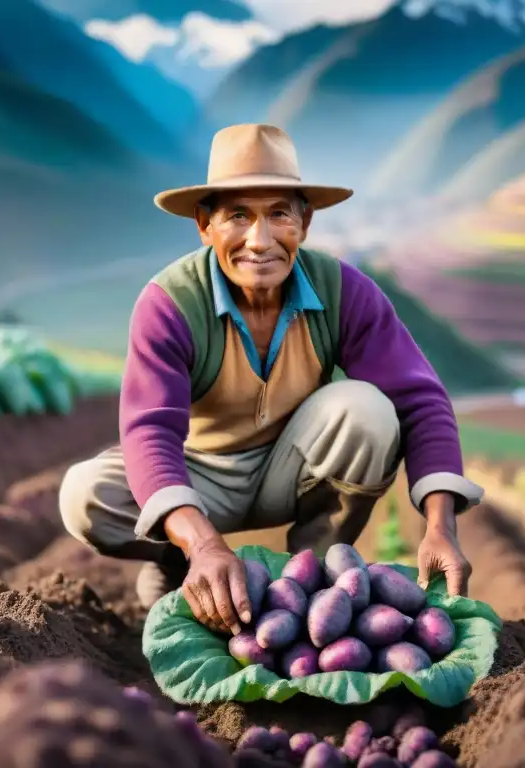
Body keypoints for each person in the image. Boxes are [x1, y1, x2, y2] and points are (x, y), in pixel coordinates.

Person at [60, 123, 483, 635]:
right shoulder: (170, 303)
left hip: (294, 464)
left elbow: (420, 400)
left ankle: (316, 578)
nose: (259, 242)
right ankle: (179, 560)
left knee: (368, 410)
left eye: (278, 214)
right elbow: (150, 430)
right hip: (202, 473)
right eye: (238, 215)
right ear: (205, 224)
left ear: (303, 223)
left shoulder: (345, 291)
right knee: (85, 495)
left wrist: (440, 526)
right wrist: (203, 543)